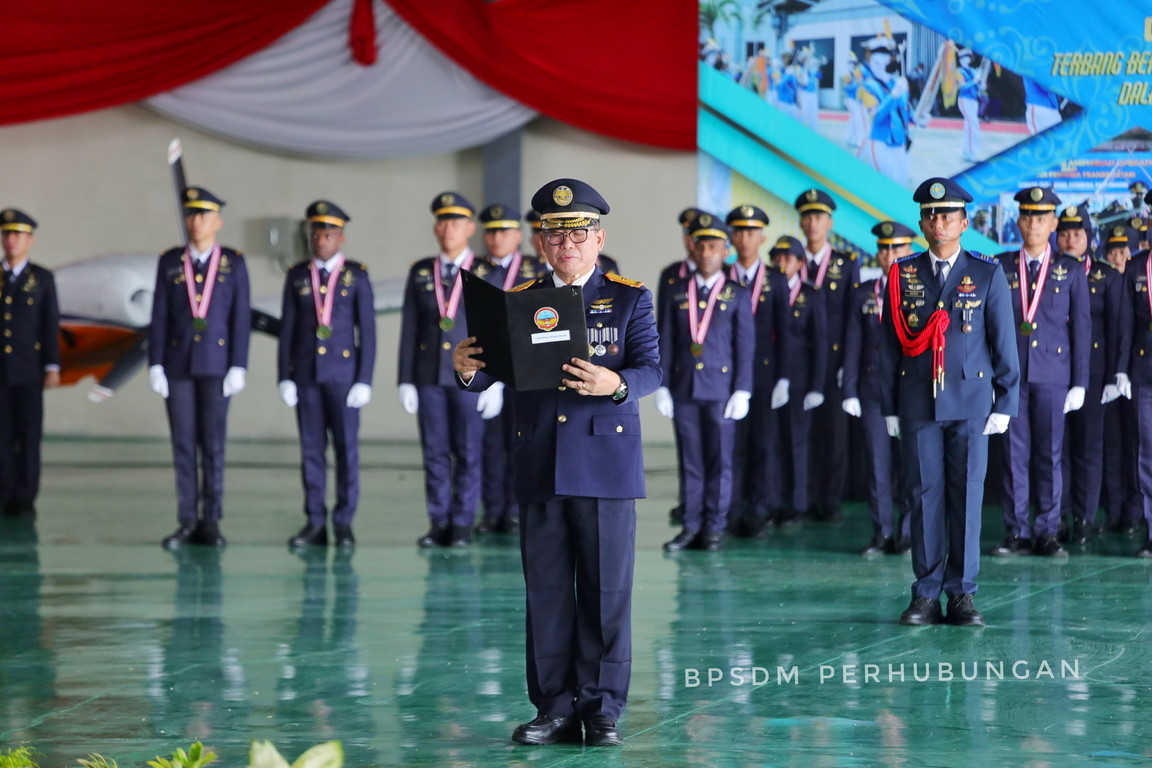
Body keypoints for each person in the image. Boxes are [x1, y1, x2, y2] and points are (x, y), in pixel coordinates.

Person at [453, 178, 660, 747]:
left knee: (604, 592)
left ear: (598, 238)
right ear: (540, 242)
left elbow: (653, 369)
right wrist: (466, 367)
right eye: (553, 233)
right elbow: (487, 372)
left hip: (605, 463)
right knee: (545, 591)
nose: (566, 243)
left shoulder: (628, 298)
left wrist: (616, 382)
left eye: (577, 232)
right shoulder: (520, 300)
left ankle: (602, 709)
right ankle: (553, 705)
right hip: (542, 459)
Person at [879, 177, 1019, 627]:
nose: (938, 222)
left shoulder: (986, 272)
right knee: (923, 498)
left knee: (966, 498)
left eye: (947, 215)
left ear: (963, 222)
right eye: (930, 215)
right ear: (922, 222)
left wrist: (1005, 401)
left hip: (972, 403)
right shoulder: (902, 274)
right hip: (919, 402)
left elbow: (1003, 342)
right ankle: (925, 593)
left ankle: (961, 594)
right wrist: (888, 406)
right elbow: (887, 347)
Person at [989, 187, 1090, 559]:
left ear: (1052, 224)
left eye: (1041, 217)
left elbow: (1081, 328)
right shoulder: (999, 266)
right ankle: (1017, 531)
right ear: (1018, 222)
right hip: (1011, 377)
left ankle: (1048, 531)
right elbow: (991, 328)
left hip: (1053, 374)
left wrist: (1080, 381)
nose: (1033, 223)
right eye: (1027, 216)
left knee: (1050, 454)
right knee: (1014, 456)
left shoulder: (1070, 269)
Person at [149, 187, 251, 548]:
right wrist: (155, 364)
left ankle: (211, 521)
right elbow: (159, 314)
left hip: (217, 366)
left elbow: (241, 317)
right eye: (191, 214)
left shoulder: (233, 263)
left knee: (212, 445)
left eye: (204, 215)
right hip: (177, 365)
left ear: (218, 222)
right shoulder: (171, 261)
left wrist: (239, 364)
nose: (196, 222)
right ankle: (187, 520)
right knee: (182, 445)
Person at [277, 201, 376, 548]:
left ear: (341, 237)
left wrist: (364, 379)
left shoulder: (356, 275)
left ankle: (344, 521)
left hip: (344, 377)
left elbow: (368, 331)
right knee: (311, 452)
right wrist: (284, 375)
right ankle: (315, 521)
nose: (321, 240)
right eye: (316, 233)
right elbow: (287, 330)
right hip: (306, 376)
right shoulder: (297, 275)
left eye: (329, 234)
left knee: (347, 451)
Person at [398, 192, 493, 549]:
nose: (447, 229)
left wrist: (495, 381)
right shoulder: (421, 271)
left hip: (471, 375)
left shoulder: (486, 272)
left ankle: (463, 522)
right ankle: (438, 520)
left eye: (455, 222)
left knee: (469, 451)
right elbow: (410, 327)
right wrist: (405, 379)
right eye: (441, 222)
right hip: (428, 376)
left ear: (469, 228)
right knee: (434, 452)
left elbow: (497, 331)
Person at [656, 214, 753, 551]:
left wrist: (743, 388)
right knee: (690, 461)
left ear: (725, 251)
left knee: (720, 461)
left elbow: (745, 345)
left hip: (721, 391)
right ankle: (690, 525)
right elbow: (664, 340)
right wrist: (663, 384)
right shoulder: (676, 291)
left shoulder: (737, 293)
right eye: (702, 246)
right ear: (693, 250)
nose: (708, 253)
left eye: (714, 247)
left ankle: (714, 526)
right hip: (683, 389)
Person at [842, 221, 914, 556]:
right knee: (877, 465)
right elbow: (852, 345)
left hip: (910, 391)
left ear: (909, 251)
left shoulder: (919, 289)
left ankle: (910, 532)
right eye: (884, 249)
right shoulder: (863, 293)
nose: (888, 255)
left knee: (913, 466)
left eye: (896, 248)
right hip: (872, 391)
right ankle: (882, 532)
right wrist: (849, 391)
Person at [1058, 204, 1128, 544]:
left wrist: (1116, 374)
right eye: (1065, 233)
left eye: (1077, 233)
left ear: (1089, 237)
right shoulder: (1047, 273)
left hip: (1094, 378)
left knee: (1088, 448)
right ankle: (1055, 516)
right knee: (1055, 448)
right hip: (1054, 374)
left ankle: (1083, 519)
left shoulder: (1106, 276)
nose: (1070, 240)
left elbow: (1118, 329)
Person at [723, 204, 790, 536]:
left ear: (762, 237)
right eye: (738, 232)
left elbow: (785, 329)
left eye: (751, 232)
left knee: (763, 444)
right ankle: (730, 510)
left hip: (764, 374)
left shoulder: (776, 279)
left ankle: (758, 510)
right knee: (730, 446)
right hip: (727, 374)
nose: (745, 239)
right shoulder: (722, 277)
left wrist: (784, 377)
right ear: (731, 237)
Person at [795, 188, 860, 521]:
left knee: (834, 435)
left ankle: (830, 500)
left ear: (830, 222)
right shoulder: (791, 261)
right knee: (800, 433)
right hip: (800, 363)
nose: (812, 223)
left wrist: (846, 366)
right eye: (806, 216)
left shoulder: (846, 264)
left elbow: (852, 319)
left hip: (834, 362)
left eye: (818, 216)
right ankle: (802, 498)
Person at [472, 204, 536, 535]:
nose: (497, 238)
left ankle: (514, 509)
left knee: (521, 442)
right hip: (488, 374)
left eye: (504, 231)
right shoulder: (474, 271)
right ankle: (491, 510)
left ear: (518, 235)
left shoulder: (534, 271)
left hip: (525, 375)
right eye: (491, 231)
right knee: (489, 446)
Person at [0, 209, 60, 518]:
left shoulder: (42, 278)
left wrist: (53, 366)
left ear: (30, 240)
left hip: (28, 369)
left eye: (18, 235)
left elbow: (49, 325)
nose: (11, 240)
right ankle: (4, 493)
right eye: (6, 234)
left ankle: (25, 498)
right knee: (2, 437)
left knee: (28, 435)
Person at [769, 235, 827, 526]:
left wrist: (817, 386)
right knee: (773, 442)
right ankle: (775, 501)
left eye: (788, 259)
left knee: (798, 443)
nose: (781, 264)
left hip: (801, 380)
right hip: (771, 379)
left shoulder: (811, 294)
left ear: (800, 263)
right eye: (777, 258)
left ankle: (799, 503)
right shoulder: (766, 291)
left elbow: (820, 342)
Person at [1102, 224, 1144, 535]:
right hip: (1115, 375)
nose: (1118, 256)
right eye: (1113, 251)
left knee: (1136, 448)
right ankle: (1120, 513)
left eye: (1123, 249)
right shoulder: (1103, 280)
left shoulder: (1138, 274)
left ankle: (1135, 513)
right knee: (1119, 447)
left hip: (1135, 373)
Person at [858, 36, 916, 185]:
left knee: (901, 183)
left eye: (890, 57)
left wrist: (917, 117)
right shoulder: (867, 87)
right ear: (875, 61)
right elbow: (875, 117)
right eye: (885, 57)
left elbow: (905, 109)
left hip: (900, 141)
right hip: (880, 142)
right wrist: (893, 95)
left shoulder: (898, 82)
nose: (890, 60)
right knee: (885, 184)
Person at [956, 49, 982, 162]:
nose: (965, 59)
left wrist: (980, 83)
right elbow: (963, 87)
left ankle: (966, 150)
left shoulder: (973, 70)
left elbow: (977, 87)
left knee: (968, 126)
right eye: (962, 58)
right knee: (973, 125)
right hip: (964, 100)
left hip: (973, 100)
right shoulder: (959, 72)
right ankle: (971, 151)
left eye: (967, 57)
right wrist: (975, 81)